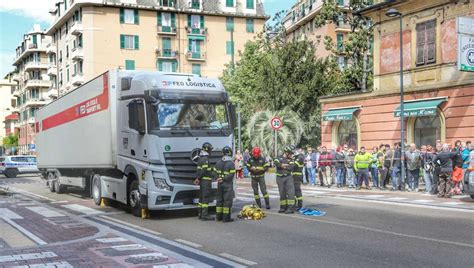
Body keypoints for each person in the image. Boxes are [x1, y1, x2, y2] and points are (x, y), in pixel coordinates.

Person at [194, 142, 215, 221]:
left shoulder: (200, 159)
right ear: (208, 149)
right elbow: (204, 170)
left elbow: (199, 170)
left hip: (202, 181)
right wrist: (198, 178)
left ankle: (200, 213)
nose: (211, 151)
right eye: (210, 149)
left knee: (201, 198)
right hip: (206, 181)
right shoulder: (206, 159)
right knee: (205, 198)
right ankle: (205, 215)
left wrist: (198, 178)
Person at [214, 146, 236, 222]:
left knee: (219, 200)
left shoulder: (218, 162)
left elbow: (214, 172)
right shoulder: (231, 163)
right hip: (227, 185)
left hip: (219, 184)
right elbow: (231, 175)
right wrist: (223, 179)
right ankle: (226, 218)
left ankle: (218, 217)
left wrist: (218, 178)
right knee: (227, 201)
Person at [274, 146, 296, 214]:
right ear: (286, 152)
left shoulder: (291, 159)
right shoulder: (279, 157)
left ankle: (290, 208)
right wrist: (281, 165)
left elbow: (291, 167)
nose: (291, 155)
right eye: (290, 153)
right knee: (282, 193)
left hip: (288, 177)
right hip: (280, 178)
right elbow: (276, 163)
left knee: (290, 193)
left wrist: (284, 166)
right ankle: (283, 207)